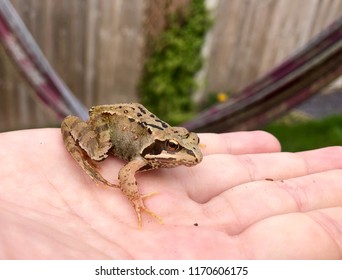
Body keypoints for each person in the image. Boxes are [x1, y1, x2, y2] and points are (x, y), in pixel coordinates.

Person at [0, 128, 341, 259]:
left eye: (188, 144)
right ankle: (84, 158)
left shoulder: (166, 149)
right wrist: (136, 201)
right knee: (100, 152)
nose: (189, 155)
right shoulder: (142, 156)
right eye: (177, 149)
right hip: (110, 124)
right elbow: (125, 171)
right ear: (164, 146)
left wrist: (183, 144)